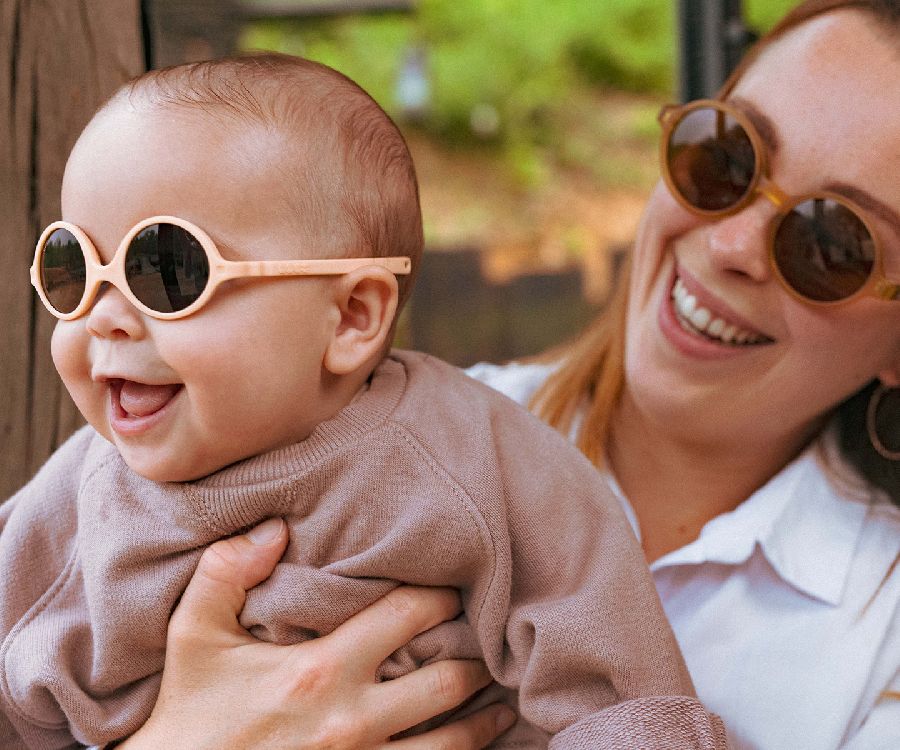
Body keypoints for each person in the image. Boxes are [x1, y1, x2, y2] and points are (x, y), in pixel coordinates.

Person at [112, 1, 900, 748]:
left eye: (832, 244)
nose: (731, 246)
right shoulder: (356, 439)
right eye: (725, 158)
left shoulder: (882, 645)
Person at [1, 53, 728, 749]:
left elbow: (617, 688)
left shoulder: (471, 455)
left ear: (350, 318)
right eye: (73, 270)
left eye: (165, 270)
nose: (102, 315)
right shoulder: (72, 503)